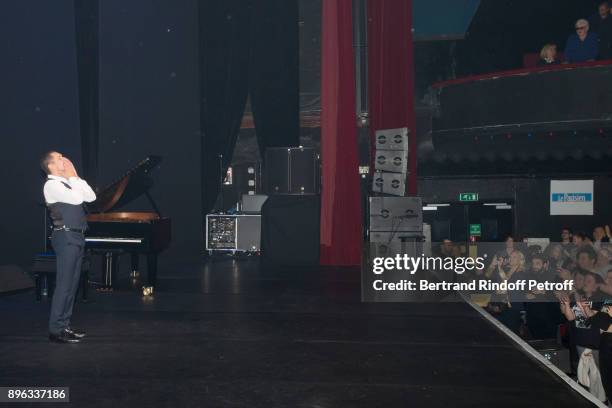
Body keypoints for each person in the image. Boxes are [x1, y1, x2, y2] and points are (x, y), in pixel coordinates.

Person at [41, 151, 96, 343]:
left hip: (76, 236)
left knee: (72, 285)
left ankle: (64, 325)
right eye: (59, 158)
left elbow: (90, 196)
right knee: (64, 284)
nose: (64, 159)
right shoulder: (52, 185)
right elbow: (77, 199)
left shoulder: (67, 182)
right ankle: (55, 330)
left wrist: (76, 177)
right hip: (65, 236)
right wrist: (72, 176)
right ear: (51, 165)